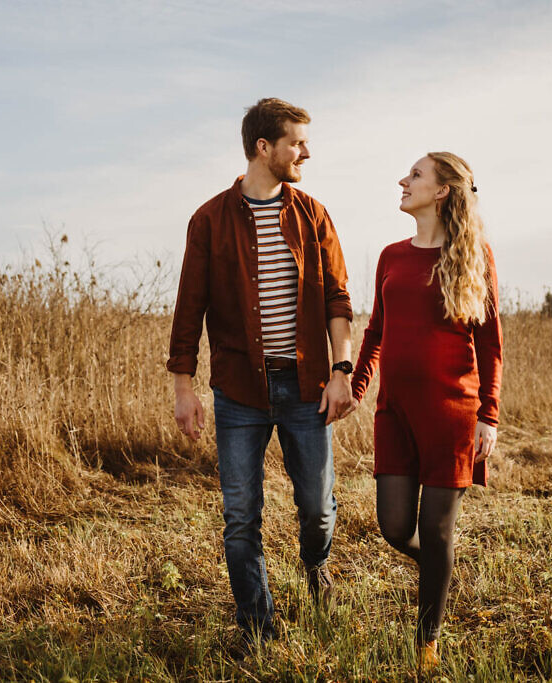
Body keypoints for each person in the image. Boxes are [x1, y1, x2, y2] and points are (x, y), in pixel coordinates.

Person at [167, 98, 356, 646]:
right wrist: (184, 388)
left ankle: (315, 566)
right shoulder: (208, 220)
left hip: (306, 387)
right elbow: (189, 307)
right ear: (263, 147)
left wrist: (342, 368)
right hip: (239, 393)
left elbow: (339, 300)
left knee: (317, 506)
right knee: (241, 515)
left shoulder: (313, 215)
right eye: (297, 142)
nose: (306, 152)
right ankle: (257, 625)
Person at [350, 152, 502, 672]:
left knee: (436, 531)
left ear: (441, 191)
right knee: (394, 526)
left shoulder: (473, 254)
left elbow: (491, 343)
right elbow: (376, 331)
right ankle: (440, 571)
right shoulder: (391, 256)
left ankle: (426, 641)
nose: (402, 180)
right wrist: (357, 384)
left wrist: (490, 414)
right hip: (394, 412)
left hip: (452, 412)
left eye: (414, 175)